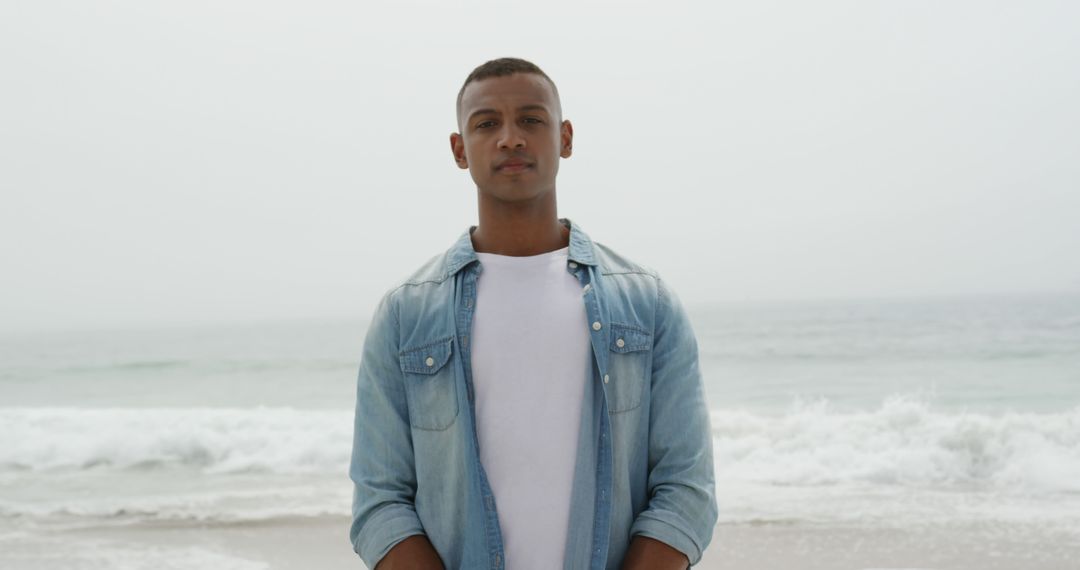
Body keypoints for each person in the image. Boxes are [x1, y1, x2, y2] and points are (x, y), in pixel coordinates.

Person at [349, 57, 717, 570]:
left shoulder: (647, 305)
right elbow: (380, 503)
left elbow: (685, 491)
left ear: (564, 138)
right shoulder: (406, 315)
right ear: (460, 150)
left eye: (531, 120)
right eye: (486, 124)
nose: (510, 138)